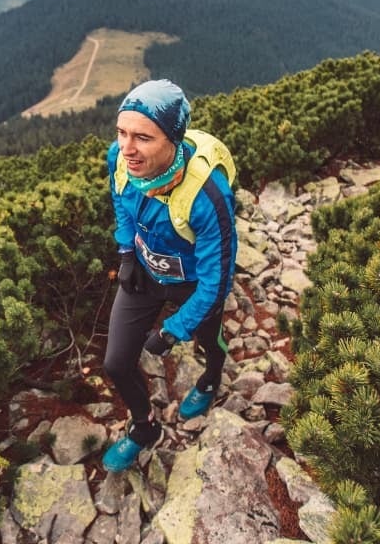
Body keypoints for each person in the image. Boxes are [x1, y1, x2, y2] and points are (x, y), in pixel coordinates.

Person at [102, 79, 238, 472]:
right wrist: (127, 251)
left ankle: (211, 378)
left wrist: (173, 330)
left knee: (209, 340)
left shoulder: (208, 197)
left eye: (142, 138)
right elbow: (121, 200)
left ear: (172, 141)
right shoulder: (121, 160)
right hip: (145, 272)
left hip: (192, 284)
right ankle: (144, 428)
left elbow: (217, 282)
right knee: (116, 362)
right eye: (122, 133)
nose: (127, 149)